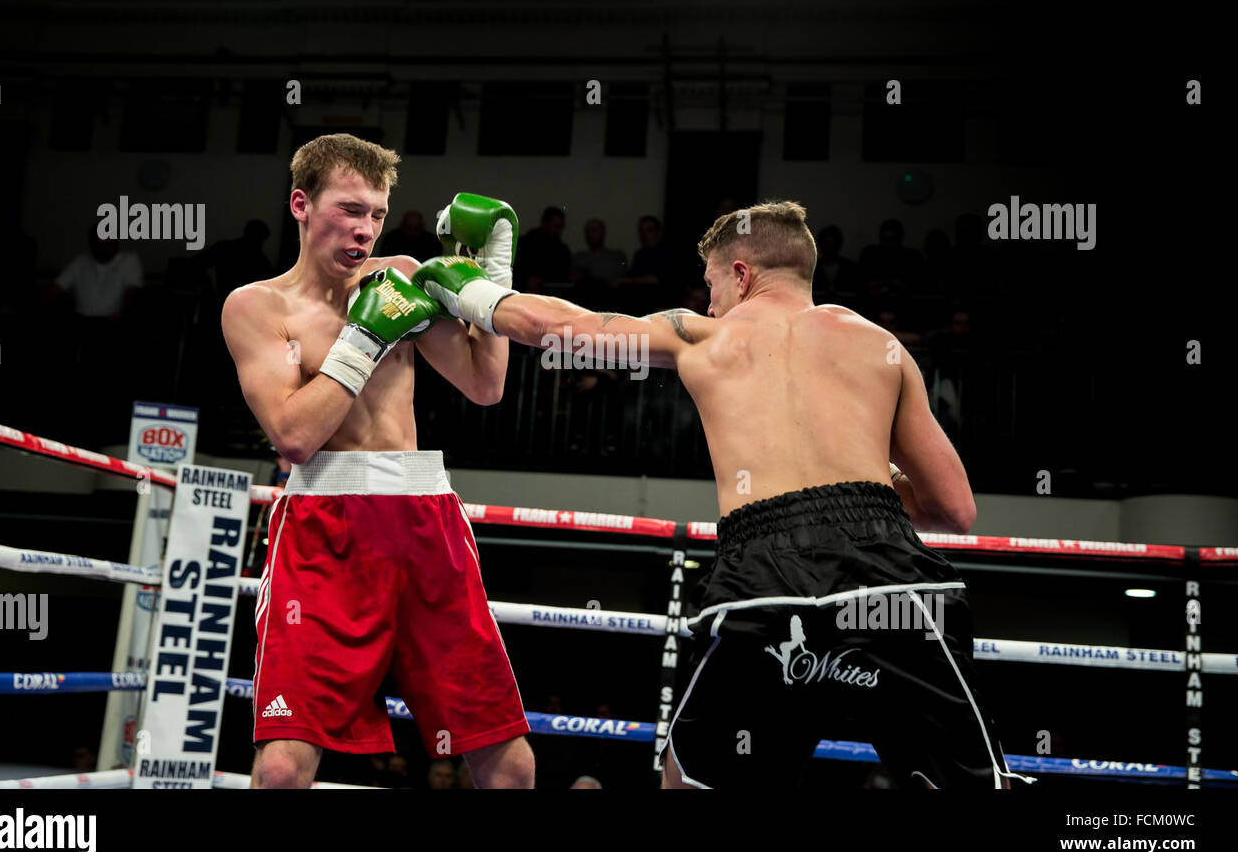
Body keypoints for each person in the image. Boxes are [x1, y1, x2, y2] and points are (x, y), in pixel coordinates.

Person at [414, 199, 1025, 790]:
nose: (707, 300)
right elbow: (955, 508)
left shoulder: (700, 337)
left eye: (710, 283)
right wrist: (872, 483)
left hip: (765, 578)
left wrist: (471, 287)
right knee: (969, 782)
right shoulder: (880, 345)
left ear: (741, 273)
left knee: (694, 779)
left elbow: (562, 331)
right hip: (892, 581)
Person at [221, 133, 533, 789]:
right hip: (322, 527)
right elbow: (294, 438)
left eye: (378, 214)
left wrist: (495, 280)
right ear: (301, 205)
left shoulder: (404, 277)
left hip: (423, 517)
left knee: (506, 762)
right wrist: (364, 337)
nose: (365, 228)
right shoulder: (256, 307)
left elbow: (485, 385)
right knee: (281, 767)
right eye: (350, 209)